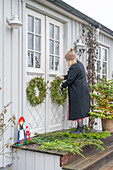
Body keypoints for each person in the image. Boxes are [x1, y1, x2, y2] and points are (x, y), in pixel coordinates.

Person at [57, 48, 90, 133]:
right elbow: (71, 76)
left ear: (70, 60)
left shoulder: (74, 67)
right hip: (81, 91)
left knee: (78, 109)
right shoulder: (79, 64)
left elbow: (70, 80)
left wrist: (62, 85)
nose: (67, 62)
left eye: (67, 60)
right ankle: (80, 128)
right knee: (80, 109)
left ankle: (80, 129)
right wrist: (63, 77)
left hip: (78, 92)